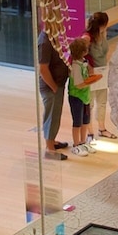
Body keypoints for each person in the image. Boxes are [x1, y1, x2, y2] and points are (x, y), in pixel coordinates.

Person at [37, 33, 72, 161]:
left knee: (55, 115)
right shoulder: (45, 42)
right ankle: (49, 149)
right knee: (51, 116)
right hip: (51, 86)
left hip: (58, 84)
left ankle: (52, 141)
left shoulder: (55, 37)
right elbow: (43, 69)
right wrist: (54, 87)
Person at [86, 13, 118, 140]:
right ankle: (89, 132)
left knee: (102, 101)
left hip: (103, 71)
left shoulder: (102, 35)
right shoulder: (87, 38)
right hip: (92, 73)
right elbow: (81, 55)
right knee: (90, 103)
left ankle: (102, 128)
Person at [66, 38, 98, 157]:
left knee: (85, 121)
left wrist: (91, 72)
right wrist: (91, 81)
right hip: (76, 97)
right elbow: (79, 84)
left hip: (85, 96)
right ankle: (76, 144)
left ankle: (83, 142)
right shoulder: (75, 66)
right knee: (77, 122)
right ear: (83, 51)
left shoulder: (83, 62)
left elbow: (89, 72)